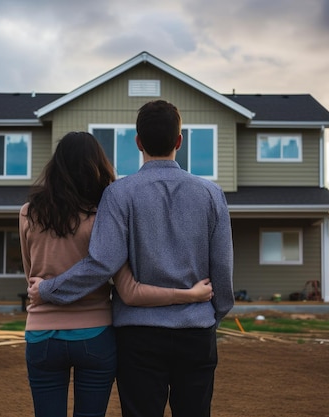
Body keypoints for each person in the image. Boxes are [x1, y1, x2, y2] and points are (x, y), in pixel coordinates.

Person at [29, 100, 235, 417]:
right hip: (196, 330)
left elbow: (102, 262)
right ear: (179, 141)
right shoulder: (211, 194)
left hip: (139, 337)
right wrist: (213, 313)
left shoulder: (119, 194)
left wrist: (48, 289)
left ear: (138, 142)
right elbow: (222, 267)